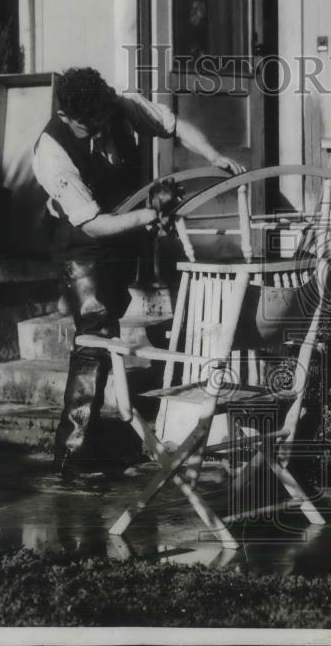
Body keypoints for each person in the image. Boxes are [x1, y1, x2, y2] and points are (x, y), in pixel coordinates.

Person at [32, 67, 245, 476]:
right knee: (94, 337)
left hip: (122, 236)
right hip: (84, 246)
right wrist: (151, 214)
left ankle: (107, 432)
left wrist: (214, 155)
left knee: (108, 331)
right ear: (66, 116)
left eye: (101, 120)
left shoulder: (120, 105)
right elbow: (92, 224)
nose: (98, 129)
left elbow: (175, 125)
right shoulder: (52, 152)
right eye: (86, 125)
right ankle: (72, 451)